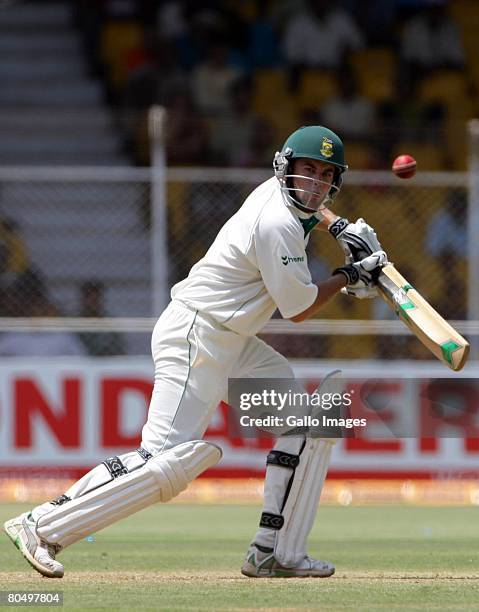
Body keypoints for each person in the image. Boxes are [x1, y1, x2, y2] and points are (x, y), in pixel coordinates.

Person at [4, 125, 387, 579]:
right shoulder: (277, 221)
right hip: (197, 335)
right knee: (161, 464)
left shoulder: (290, 204)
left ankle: (274, 551)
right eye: (308, 170)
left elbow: (312, 222)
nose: (316, 183)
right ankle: (40, 524)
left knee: (303, 423)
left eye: (326, 175)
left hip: (232, 342)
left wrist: (343, 235)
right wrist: (350, 275)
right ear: (285, 168)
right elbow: (299, 309)